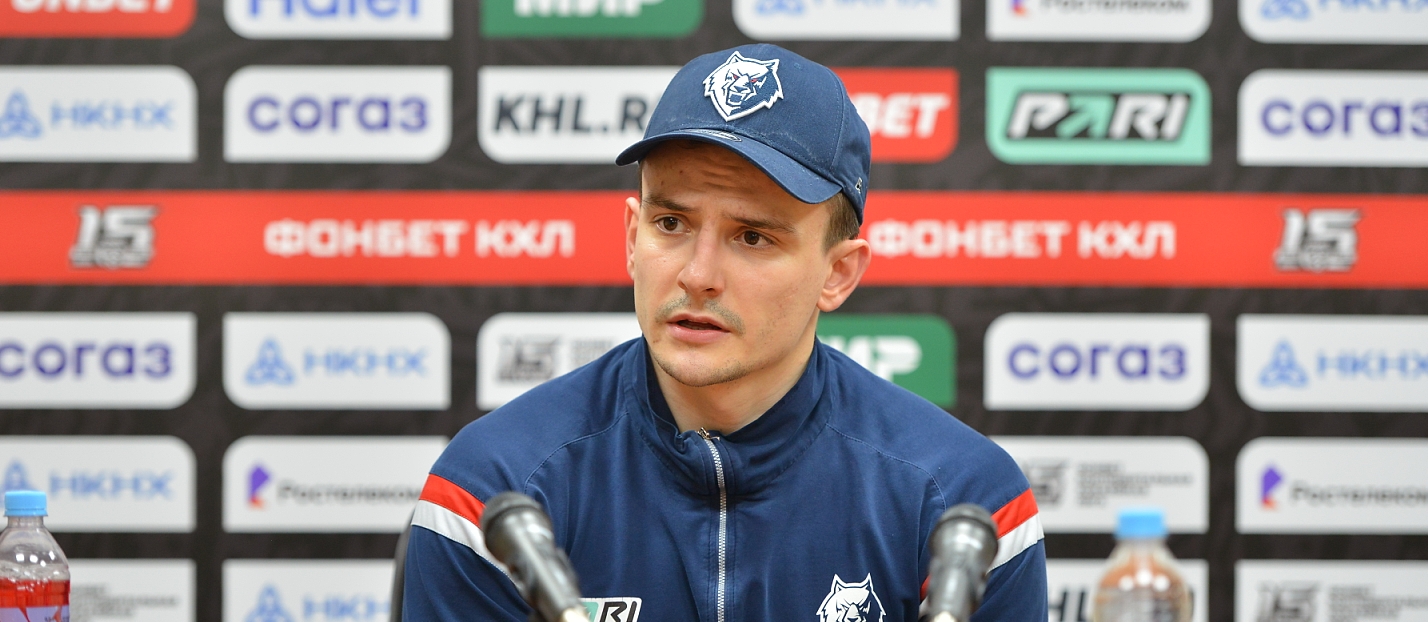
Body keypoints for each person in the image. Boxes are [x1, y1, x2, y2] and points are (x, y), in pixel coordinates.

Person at [402, 43, 1047, 621]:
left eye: (753, 237)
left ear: (838, 273)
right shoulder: (493, 490)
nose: (698, 275)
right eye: (671, 225)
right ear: (631, 238)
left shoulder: (964, 506)